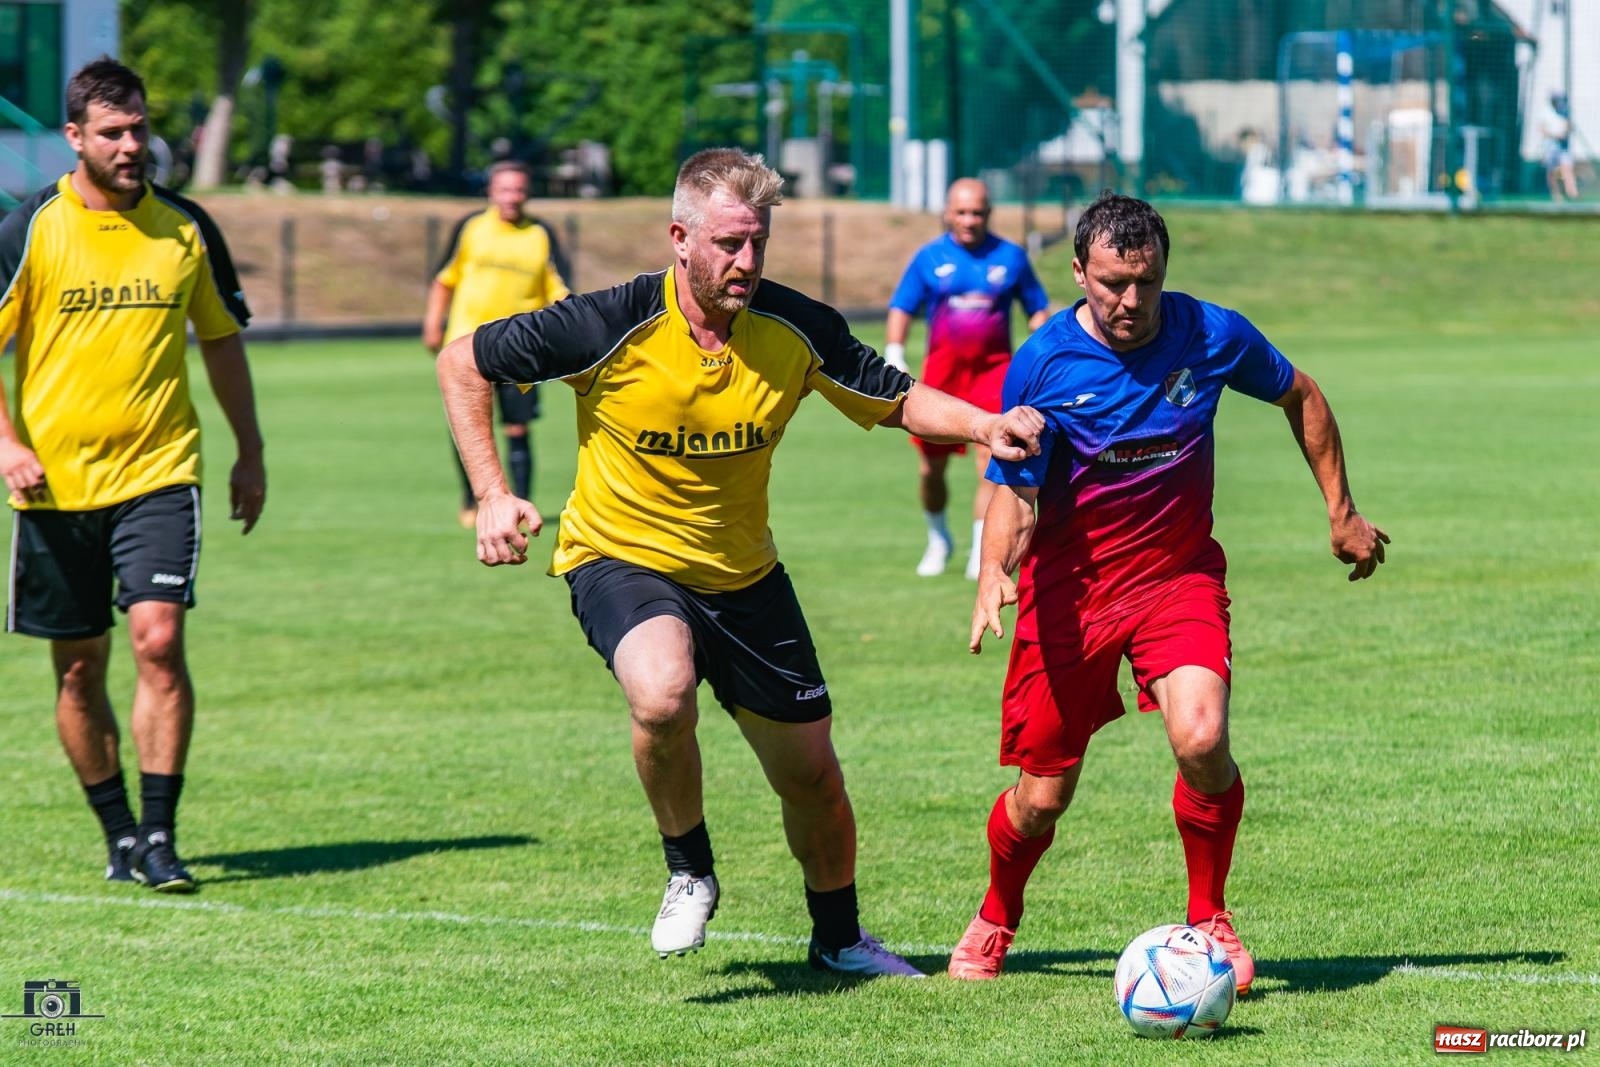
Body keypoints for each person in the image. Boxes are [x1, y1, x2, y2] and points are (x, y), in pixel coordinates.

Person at [436, 148, 1044, 976]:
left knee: (814, 780)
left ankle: (839, 938)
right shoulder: (604, 324)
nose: (746, 262)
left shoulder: (792, 329)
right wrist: (493, 491)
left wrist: (981, 424)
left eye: (758, 241)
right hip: (621, 556)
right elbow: (462, 360)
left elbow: (894, 394)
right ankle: (689, 869)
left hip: (746, 577)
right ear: (680, 238)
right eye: (728, 243)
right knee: (662, 689)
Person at [951, 193, 1388, 991]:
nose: (1130, 301)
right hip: (1071, 595)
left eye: (1146, 282)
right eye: (1113, 282)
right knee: (1042, 797)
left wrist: (1343, 512)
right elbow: (1013, 486)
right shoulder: (1045, 362)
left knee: (1201, 736)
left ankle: (1208, 914)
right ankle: (996, 912)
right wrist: (992, 570)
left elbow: (1303, 394)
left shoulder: (1210, 334)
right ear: (1078, 271)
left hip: (1176, 578)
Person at [0, 57, 265, 893]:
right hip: (54, 487)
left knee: (158, 641)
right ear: (74, 138)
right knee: (79, 667)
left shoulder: (186, 228)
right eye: (112, 132)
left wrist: (249, 449)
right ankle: (117, 834)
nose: (130, 144)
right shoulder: (28, 231)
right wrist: (8, 445)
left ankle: (159, 836)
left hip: (160, 469)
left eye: (140, 128)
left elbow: (220, 337)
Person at [884, 178, 1050, 580]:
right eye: (961, 212)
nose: (969, 220)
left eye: (977, 212)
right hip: (940, 379)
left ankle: (981, 549)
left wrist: (1044, 350)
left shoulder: (1010, 257)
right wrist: (895, 351)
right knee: (931, 470)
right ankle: (939, 539)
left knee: (989, 462)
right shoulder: (928, 258)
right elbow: (902, 307)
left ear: (989, 213)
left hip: (994, 377)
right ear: (947, 213)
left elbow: (1038, 309)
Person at [423, 160, 571, 526]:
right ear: (490, 191)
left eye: (519, 189)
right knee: (469, 426)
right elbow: (445, 279)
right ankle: (473, 501)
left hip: (522, 349)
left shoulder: (541, 234)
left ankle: (521, 502)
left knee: (517, 428)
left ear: (528, 193)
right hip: (467, 346)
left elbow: (560, 292)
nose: (512, 197)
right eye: (505, 189)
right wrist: (431, 323)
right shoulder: (471, 228)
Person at [1540, 91, 1578, 202]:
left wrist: (1566, 131)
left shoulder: (1564, 111)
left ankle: (1572, 193)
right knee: (1551, 171)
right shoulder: (1545, 113)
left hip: (1563, 146)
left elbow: (1570, 126)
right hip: (1550, 146)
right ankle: (1556, 194)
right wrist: (1555, 136)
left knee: (1567, 168)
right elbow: (1541, 129)